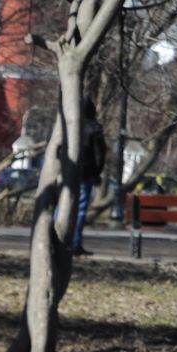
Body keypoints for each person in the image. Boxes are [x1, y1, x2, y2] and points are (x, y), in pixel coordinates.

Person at [74, 98, 107, 256]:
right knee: (80, 210)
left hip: (68, 172)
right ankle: (75, 243)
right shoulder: (95, 128)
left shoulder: (70, 125)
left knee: (61, 206)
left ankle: (57, 239)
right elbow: (99, 155)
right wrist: (97, 173)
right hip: (86, 173)